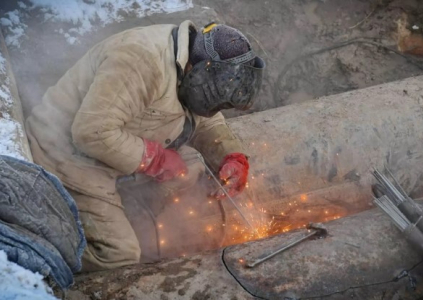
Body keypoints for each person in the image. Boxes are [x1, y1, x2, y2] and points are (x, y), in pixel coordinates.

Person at [25, 21, 265, 271]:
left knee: (191, 170)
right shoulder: (141, 62)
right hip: (69, 154)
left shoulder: (193, 68)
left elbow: (206, 115)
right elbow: (90, 132)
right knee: (121, 254)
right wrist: (155, 159)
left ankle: (131, 215)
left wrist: (231, 156)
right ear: (200, 70)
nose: (215, 105)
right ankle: (45, 257)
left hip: (117, 140)